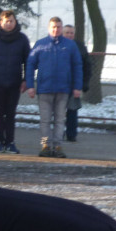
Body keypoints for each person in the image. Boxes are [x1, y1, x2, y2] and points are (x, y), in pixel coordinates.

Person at [26, 16, 83, 158]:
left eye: (58, 27)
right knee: (45, 119)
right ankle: (45, 145)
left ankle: (57, 146)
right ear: (49, 28)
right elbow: (30, 65)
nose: (56, 29)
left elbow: (77, 66)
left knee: (59, 120)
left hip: (63, 89)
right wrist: (30, 85)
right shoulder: (40, 44)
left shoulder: (70, 46)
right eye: (53, 27)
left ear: (61, 28)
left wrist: (77, 86)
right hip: (44, 89)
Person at [0, 11, 30, 154]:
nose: (9, 24)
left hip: (14, 83)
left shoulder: (22, 39)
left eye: (11, 21)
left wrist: (26, 80)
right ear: (0, 23)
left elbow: (28, 62)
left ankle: (10, 142)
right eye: (6, 21)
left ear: (15, 22)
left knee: (10, 114)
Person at [62, 23, 93, 143]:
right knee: (58, 111)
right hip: (59, 84)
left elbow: (87, 66)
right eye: (67, 32)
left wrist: (83, 84)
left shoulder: (80, 46)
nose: (69, 35)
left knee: (72, 110)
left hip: (74, 84)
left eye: (71, 33)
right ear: (62, 33)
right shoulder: (57, 45)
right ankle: (57, 134)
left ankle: (71, 134)